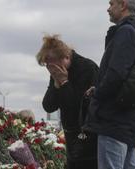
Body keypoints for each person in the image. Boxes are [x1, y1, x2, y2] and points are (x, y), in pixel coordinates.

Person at [83, 0, 135, 168]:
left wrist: (98, 94)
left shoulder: (126, 32)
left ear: (123, 4)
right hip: (129, 120)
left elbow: (115, 75)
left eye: (111, 3)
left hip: (113, 119)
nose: (108, 8)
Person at [36, 35, 99, 169]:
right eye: (47, 66)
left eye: (51, 65)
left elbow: (78, 107)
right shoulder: (57, 73)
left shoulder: (87, 68)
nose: (50, 69)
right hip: (71, 140)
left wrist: (65, 83)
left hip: (90, 142)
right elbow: (48, 106)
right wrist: (56, 84)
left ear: (65, 57)